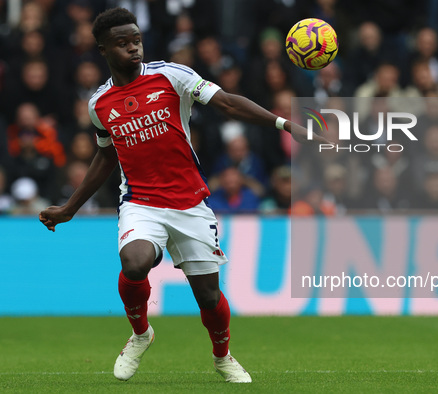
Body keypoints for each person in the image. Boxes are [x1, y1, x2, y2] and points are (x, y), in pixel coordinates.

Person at [38, 7, 325, 384]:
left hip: (190, 203)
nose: (133, 49)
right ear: (103, 49)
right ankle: (141, 333)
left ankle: (222, 357)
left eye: (136, 40)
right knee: (134, 263)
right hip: (141, 202)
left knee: (208, 297)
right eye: (122, 43)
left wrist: (284, 124)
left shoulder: (171, 76)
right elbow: (107, 155)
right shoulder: (99, 105)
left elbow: (225, 102)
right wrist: (70, 208)